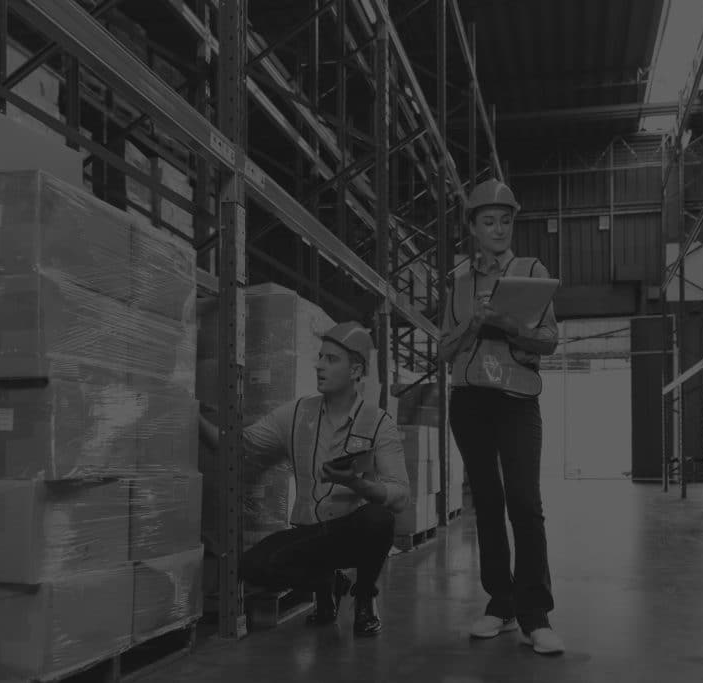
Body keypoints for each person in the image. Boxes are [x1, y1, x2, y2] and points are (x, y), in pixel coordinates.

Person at [199, 322, 410, 636]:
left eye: (331, 359)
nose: (319, 365)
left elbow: (401, 494)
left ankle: (364, 599)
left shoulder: (378, 422)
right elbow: (238, 446)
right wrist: (194, 417)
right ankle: (330, 584)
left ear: (355, 370)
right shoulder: (297, 414)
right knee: (251, 566)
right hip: (312, 533)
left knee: (379, 519)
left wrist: (358, 484)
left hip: (351, 532)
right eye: (320, 357)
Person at [437, 178, 565, 656]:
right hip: (469, 401)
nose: (498, 229)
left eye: (505, 221)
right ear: (471, 227)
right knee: (486, 503)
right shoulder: (459, 280)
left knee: (524, 502)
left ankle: (536, 614)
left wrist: (511, 327)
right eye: (488, 221)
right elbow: (444, 350)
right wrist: (472, 324)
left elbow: (550, 340)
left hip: (516, 400)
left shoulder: (531, 270)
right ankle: (500, 602)